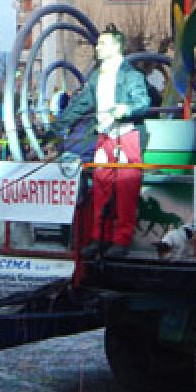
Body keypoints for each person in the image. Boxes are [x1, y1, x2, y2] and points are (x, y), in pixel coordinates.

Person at [53, 26, 151, 259]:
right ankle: (99, 237)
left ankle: (121, 240)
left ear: (116, 46)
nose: (97, 48)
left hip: (126, 136)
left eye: (102, 44)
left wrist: (125, 109)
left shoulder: (131, 76)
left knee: (126, 190)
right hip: (105, 137)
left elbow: (142, 102)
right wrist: (58, 125)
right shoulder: (97, 77)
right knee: (101, 188)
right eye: (98, 44)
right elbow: (81, 104)